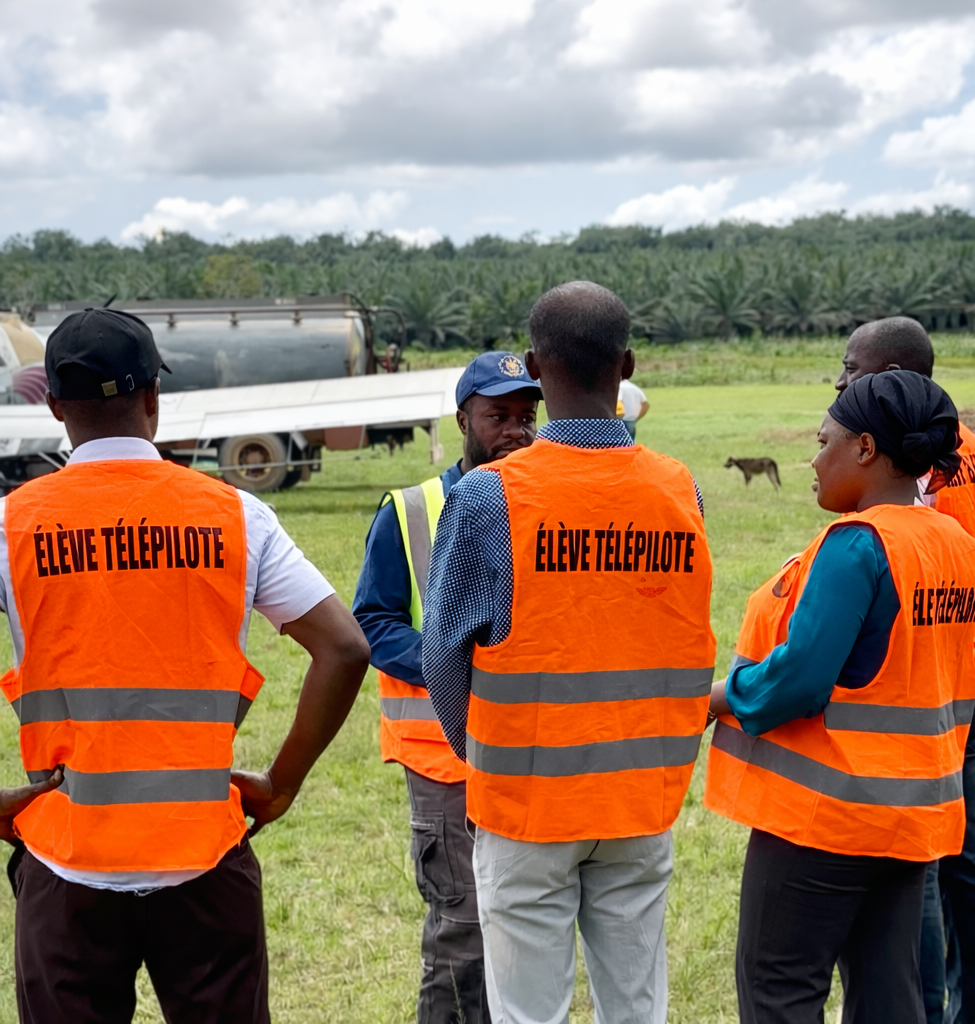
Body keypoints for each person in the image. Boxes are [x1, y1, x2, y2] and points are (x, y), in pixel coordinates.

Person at [2, 308, 370, 1024]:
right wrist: (283, 783)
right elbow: (345, 648)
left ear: (53, 407)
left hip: (66, 856)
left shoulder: (13, 523)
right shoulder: (236, 515)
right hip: (203, 854)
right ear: (153, 397)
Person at [422, 281, 714, 1024]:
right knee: (637, 1006)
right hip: (640, 800)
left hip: (525, 805)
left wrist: (484, 755)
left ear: (532, 364)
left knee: (527, 1012)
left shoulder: (488, 498)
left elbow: (443, 657)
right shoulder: (680, 491)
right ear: (627, 365)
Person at [703, 371, 975, 1024]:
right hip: (911, 821)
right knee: (890, 997)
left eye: (822, 439)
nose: (811, 457)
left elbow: (801, 680)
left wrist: (715, 697)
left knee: (779, 989)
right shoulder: (961, 549)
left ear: (865, 448)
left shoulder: (857, 545)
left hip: (824, 821)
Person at [352, 350, 540, 1024]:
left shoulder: (548, 505)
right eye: (498, 416)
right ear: (462, 418)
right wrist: (451, 661)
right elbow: (370, 620)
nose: (515, 430)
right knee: (461, 931)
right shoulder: (409, 511)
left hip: (529, 753)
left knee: (522, 926)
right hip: (443, 756)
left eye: (526, 415)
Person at [836, 317, 975, 1024]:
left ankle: (928, 1011)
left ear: (898, 375)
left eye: (854, 369)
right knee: (961, 852)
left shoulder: (916, 469)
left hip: (936, 676)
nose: (841, 382)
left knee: (927, 859)